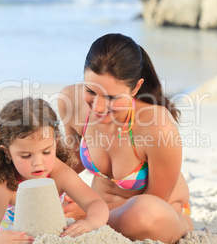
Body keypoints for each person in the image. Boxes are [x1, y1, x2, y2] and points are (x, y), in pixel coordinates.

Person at [57, 33, 193, 243]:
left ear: (136, 88)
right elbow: (69, 164)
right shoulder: (70, 102)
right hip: (98, 208)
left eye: (112, 97)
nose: (99, 107)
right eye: (91, 90)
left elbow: (154, 201)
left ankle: (184, 223)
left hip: (153, 212)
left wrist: (88, 214)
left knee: (143, 214)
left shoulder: (157, 127)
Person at [0, 97, 109, 244]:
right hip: (16, 236)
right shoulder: (6, 182)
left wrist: (91, 223)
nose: (38, 163)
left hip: (52, 232)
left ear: (56, 143)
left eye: (46, 152)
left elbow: (95, 203)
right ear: (7, 152)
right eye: (26, 156)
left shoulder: (59, 172)